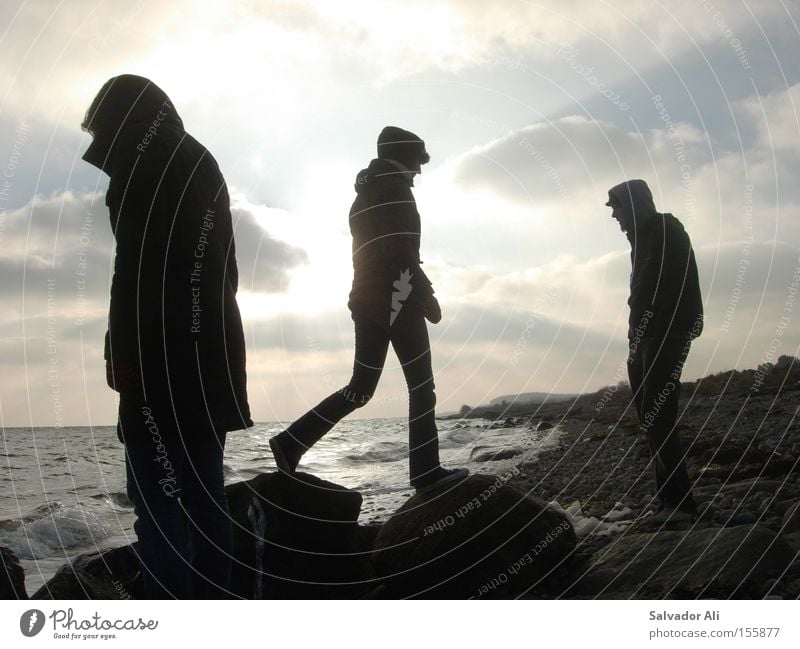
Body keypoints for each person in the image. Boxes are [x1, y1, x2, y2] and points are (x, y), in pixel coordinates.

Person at [81, 75, 252, 598]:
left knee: (156, 503)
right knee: (205, 497)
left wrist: (123, 353)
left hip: (157, 359)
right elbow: (228, 270)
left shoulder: (139, 163)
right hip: (211, 355)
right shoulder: (202, 161)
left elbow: (132, 272)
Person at [270, 126, 467, 493]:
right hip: (397, 298)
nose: (420, 170)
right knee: (422, 386)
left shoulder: (367, 191)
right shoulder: (393, 190)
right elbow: (398, 251)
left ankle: (290, 442)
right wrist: (425, 294)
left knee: (360, 388)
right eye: (418, 160)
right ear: (404, 156)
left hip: (366, 299)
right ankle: (425, 472)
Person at [606, 179, 703, 525]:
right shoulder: (639, 240)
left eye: (617, 207)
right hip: (644, 340)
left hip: (667, 335)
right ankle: (669, 500)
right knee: (650, 416)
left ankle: (680, 505)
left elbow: (677, 286)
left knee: (658, 414)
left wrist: (663, 331)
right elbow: (641, 294)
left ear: (634, 204)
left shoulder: (666, 229)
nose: (614, 215)